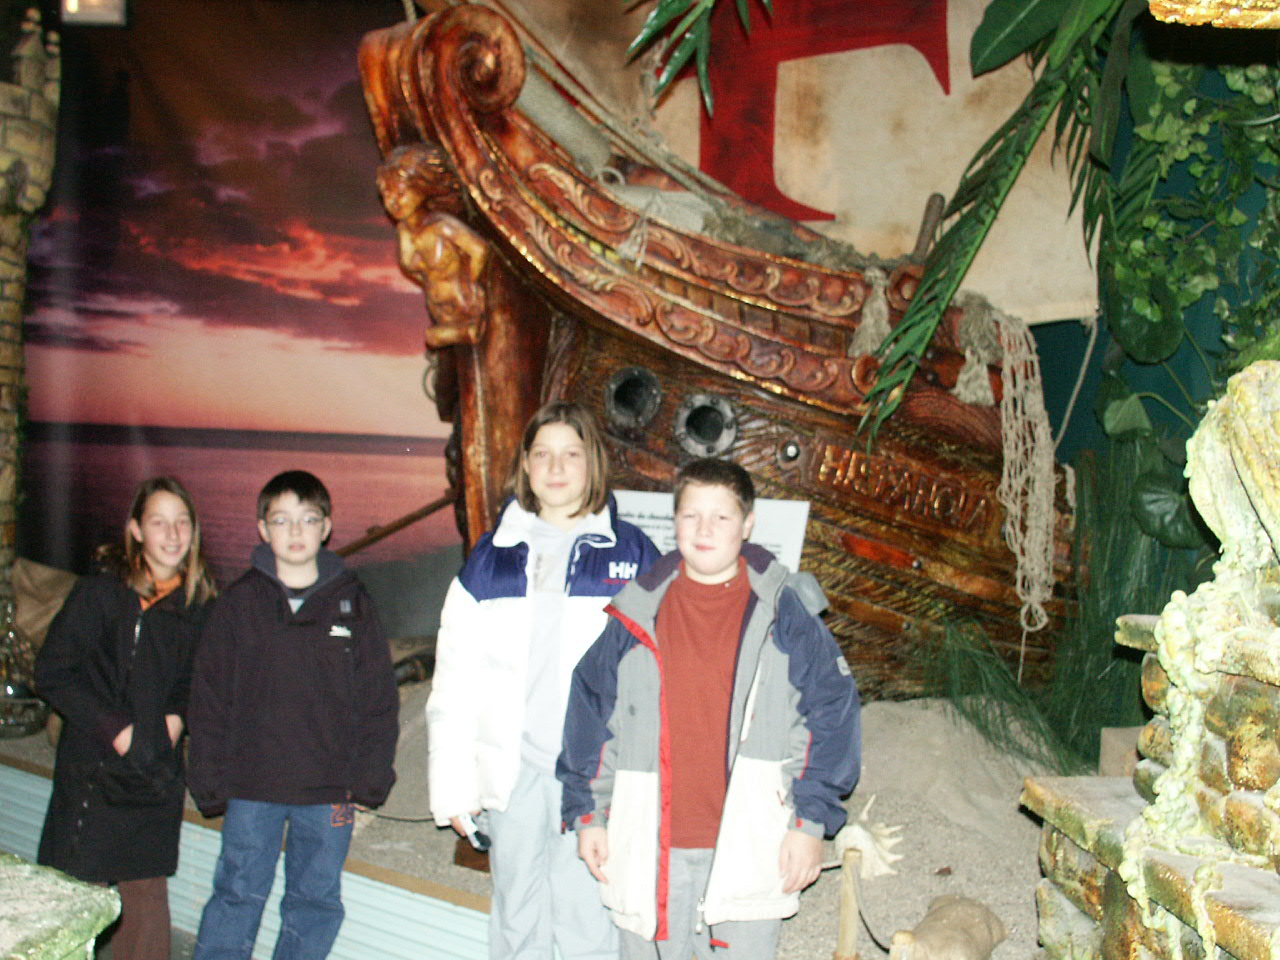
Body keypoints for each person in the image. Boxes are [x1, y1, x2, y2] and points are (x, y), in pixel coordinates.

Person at [558, 457, 861, 960]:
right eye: (691, 515)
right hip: (650, 845)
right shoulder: (635, 613)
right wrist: (588, 813)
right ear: (674, 520)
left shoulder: (785, 613)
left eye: (721, 517)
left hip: (753, 842)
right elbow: (591, 714)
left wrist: (810, 824)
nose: (704, 529)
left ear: (747, 524)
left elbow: (832, 713)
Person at [426, 400, 659, 960]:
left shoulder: (633, 556)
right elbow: (455, 681)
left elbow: (661, 677)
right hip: (516, 772)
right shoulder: (491, 560)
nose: (556, 468)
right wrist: (454, 785)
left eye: (571, 454)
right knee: (516, 916)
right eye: (542, 454)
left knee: (588, 921)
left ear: (592, 463)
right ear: (525, 466)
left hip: (592, 775)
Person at [186, 470, 399, 960]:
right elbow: (210, 697)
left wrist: (370, 779)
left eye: (308, 519)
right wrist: (208, 777)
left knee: (314, 903)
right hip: (252, 787)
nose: (296, 531)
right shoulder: (238, 604)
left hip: (329, 792)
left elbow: (377, 699)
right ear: (263, 529)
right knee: (236, 895)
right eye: (281, 520)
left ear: (326, 527)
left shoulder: (354, 604)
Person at [35, 476, 218, 960]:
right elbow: (53, 672)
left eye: (182, 522)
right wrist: (115, 729)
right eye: (159, 522)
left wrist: (175, 719)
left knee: (145, 904)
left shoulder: (200, 606)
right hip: (93, 769)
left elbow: (199, 679)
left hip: (153, 769)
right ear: (136, 530)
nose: (173, 534)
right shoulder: (100, 594)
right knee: (75, 903)